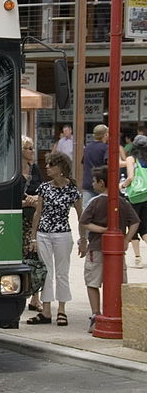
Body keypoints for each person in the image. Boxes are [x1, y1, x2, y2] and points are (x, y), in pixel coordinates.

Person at [81, 166, 140, 333]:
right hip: (117, 250)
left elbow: (84, 222)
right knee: (119, 281)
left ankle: (95, 314)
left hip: (96, 247)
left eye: (94, 181)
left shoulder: (95, 202)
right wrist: (126, 239)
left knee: (92, 281)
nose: (92, 184)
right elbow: (135, 221)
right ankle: (117, 311)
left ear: (101, 183)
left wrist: (101, 230)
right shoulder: (122, 202)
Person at [26, 151, 83, 327]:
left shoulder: (72, 190)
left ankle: (62, 310)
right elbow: (38, 213)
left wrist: (84, 239)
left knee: (62, 273)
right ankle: (46, 310)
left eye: (51, 165)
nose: (47, 167)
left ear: (60, 168)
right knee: (47, 273)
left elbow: (81, 216)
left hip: (63, 234)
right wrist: (33, 237)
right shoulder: (44, 187)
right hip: (43, 233)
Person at [21, 136, 46, 312]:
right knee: (22, 257)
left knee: (35, 257)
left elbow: (42, 189)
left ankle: (35, 298)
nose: (32, 151)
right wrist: (25, 202)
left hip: (34, 217)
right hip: (20, 218)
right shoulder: (13, 169)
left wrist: (35, 199)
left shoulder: (35, 168)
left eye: (32, 148)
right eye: (29, 148)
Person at [118, 134, 147, 268]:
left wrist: (122, 185)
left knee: (134, 225)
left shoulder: (131, 159)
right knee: (145, 228)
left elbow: (130, 177)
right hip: (146, 196)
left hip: (135, 197)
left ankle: (137, 258)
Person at [81, 124, 109, 209]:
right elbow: (108, 163)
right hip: (101, 184)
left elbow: (83, 162)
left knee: (86, 210)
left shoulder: (87, 148)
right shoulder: (106, 148)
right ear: (105, 135)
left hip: (87, 182)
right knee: (102, 210)